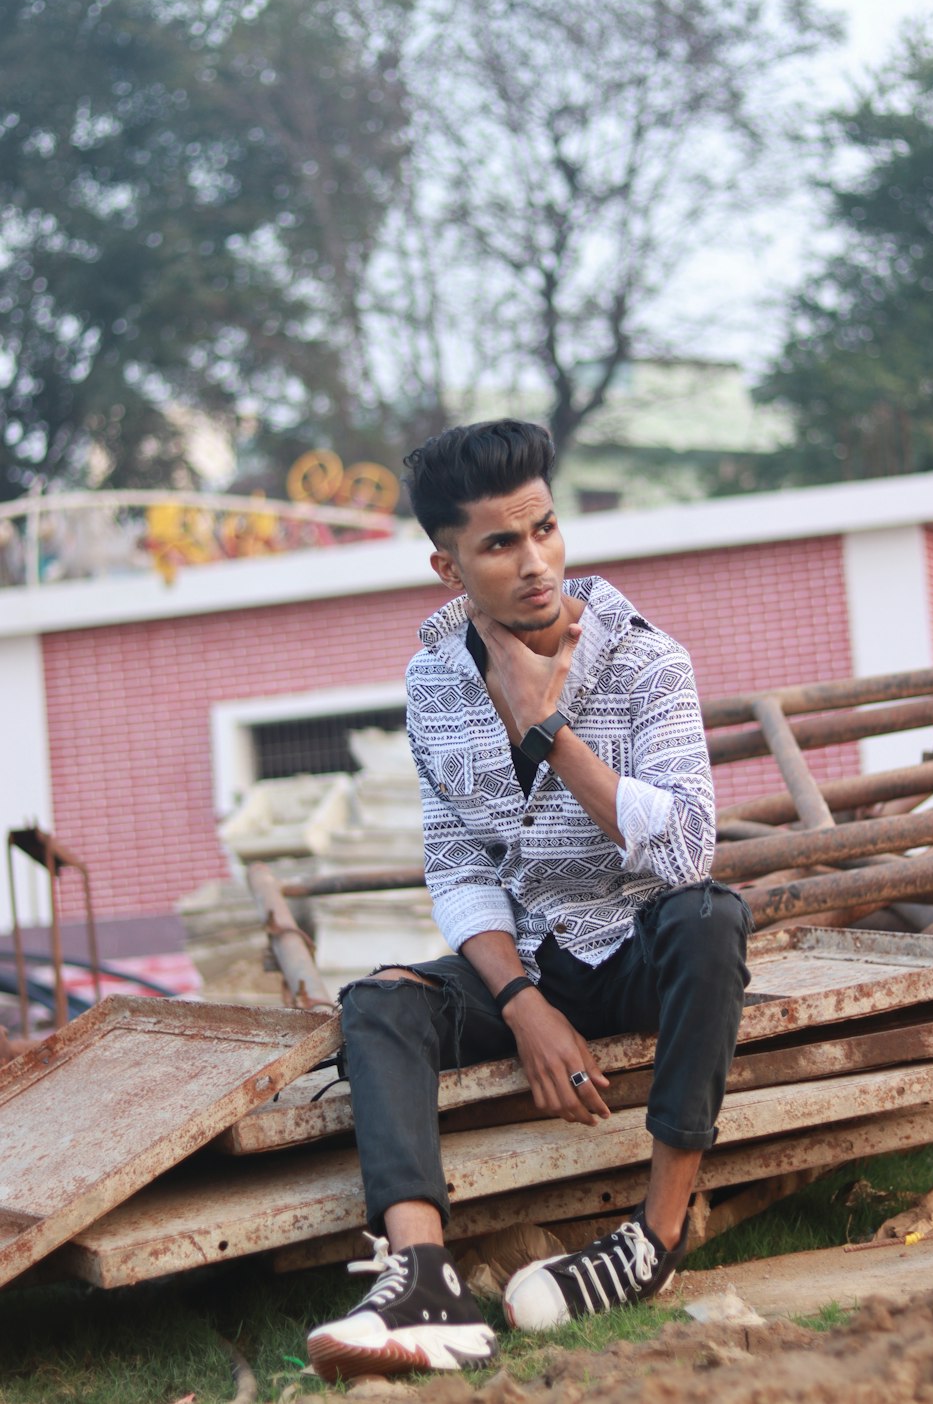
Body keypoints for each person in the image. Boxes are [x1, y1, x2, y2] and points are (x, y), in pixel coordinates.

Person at [307, 419, 750, 1383]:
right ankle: (423, 1277)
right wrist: (522, 1003)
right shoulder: (432, 681)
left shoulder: (646, 661)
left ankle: (653, 1239)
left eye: (543, 528)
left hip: (640, 941)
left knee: (712, 916)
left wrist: (546, 725)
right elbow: (459, 868)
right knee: (378, 1003)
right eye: (501, 544)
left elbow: (684, 850)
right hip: (536, 957)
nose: (536, 561)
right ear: (448, 565)